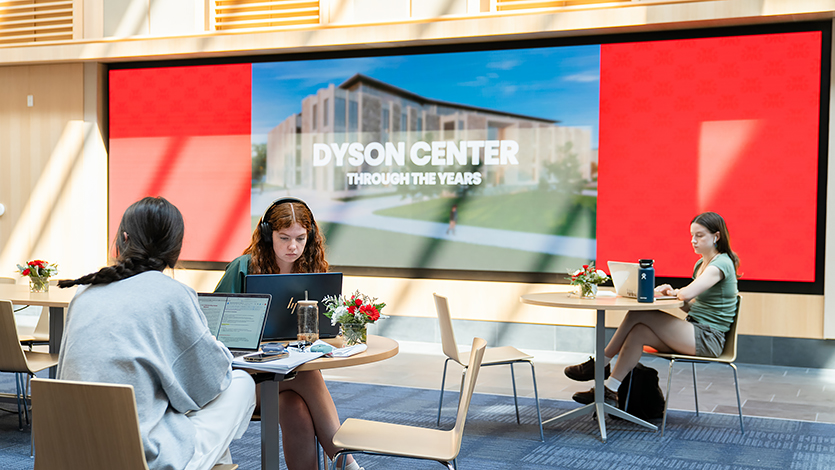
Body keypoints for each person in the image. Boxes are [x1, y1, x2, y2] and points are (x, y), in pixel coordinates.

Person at [57, 196, 255, 470]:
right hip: (143, 458)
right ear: (176, 247)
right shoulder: (174, 294)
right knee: (241, 383)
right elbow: (210, 384)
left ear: (124, 239)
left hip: (71, 450)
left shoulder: (84, 293)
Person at [214, 197, 362, 470]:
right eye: (284, 238)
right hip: (245, 380)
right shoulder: (243, 267)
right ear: (268, 234)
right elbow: (212, 326)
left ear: (311, 236)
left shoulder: (311, 268)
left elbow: (325, 330)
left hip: (284, 378)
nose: (293, 247)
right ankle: (348, 465)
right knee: (307, 377)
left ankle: (346, 465)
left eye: (300, 238)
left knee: (295, 407)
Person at [564, 212, 740, 406]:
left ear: (716, 236)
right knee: (638, 332)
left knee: (640, 312)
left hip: (709, 338)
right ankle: (609, 390)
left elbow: (686, 294)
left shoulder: (721, 263)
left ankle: (600, 363)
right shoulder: (701, 264)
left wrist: (673, 292)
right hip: (694, 330)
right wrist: (673, 294)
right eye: (692, 235)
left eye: (700, 235)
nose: (693, 241)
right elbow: (693, 307)